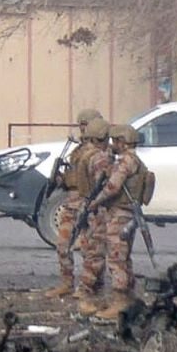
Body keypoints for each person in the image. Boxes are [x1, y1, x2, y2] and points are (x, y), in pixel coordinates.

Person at [85, 124, 150, 320]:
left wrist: (95, 202)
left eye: (115, 141)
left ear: (122, 142)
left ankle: (120, 303)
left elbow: (113, 186)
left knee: (115, 258)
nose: (112, 144)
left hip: (120, 215)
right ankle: (127, 300)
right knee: (123, 257)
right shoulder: (133, 160)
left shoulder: (126, 162)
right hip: (126, 214)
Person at [45, 108, 104, 299]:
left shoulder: (99, 151)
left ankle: (91, 286)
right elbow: (75, 176)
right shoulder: (79, 150)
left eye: (85, 125)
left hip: (89, 204)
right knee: (63, 244)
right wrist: (61, 179)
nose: (82, 129)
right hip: (71, 202)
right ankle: (67, 283)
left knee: (91, 248)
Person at [74, 118, 113, 316]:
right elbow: (102, 185)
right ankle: (84, 293)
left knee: (91, 251)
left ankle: (97, 296)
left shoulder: (84, 153)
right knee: (96, 255)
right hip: (97, 210)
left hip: (87, 207)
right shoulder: (99, 158)